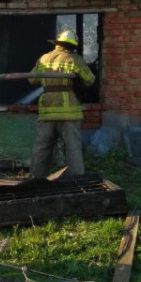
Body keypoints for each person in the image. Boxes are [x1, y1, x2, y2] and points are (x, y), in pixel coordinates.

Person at [28, 29, 96, 178]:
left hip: (47, 110)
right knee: (72, 147)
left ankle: (35, 179)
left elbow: (32, 79)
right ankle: (76, 179)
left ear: (57, 43)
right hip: (68, 111)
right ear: (71, 46)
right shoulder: (74, 59)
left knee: (42, 147)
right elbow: (90, 80)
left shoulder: (44, 59)